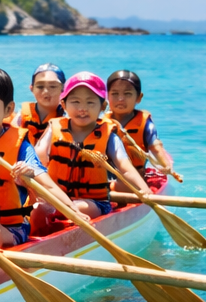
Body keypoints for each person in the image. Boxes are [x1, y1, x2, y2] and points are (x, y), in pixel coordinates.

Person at [0, 64, 83, 247]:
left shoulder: (20, 147)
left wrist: (73, 211)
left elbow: (47, 185)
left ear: (9, 109)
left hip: (8, 229)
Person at [34, 71, 148, 225]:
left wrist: (144, 190)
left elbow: (125, 167)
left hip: (94, 202)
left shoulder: (109, 136)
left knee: (77, 207)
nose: (82, 108)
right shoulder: (54, 128)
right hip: (58, 198)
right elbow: (38, 158)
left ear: (103, 106)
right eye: (75, 102)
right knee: (37, 209)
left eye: (90, 102)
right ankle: (36, 240)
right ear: (63, 104)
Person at [105, 69, 174, 183]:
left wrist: (166, 165)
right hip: (106, 178)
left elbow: (155, 147)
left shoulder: (145, 124)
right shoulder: (100, 123)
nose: (121, 99)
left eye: (127, 94)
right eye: (115, 94)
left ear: (139, 97)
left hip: (136, 179)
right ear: (107, 97)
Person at [20, 63, 66, 146]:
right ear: (32, 88)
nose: (46, 92)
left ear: (63, 88)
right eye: (40, 86)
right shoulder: (20, 117)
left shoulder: (69, 119)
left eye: (52, 86)